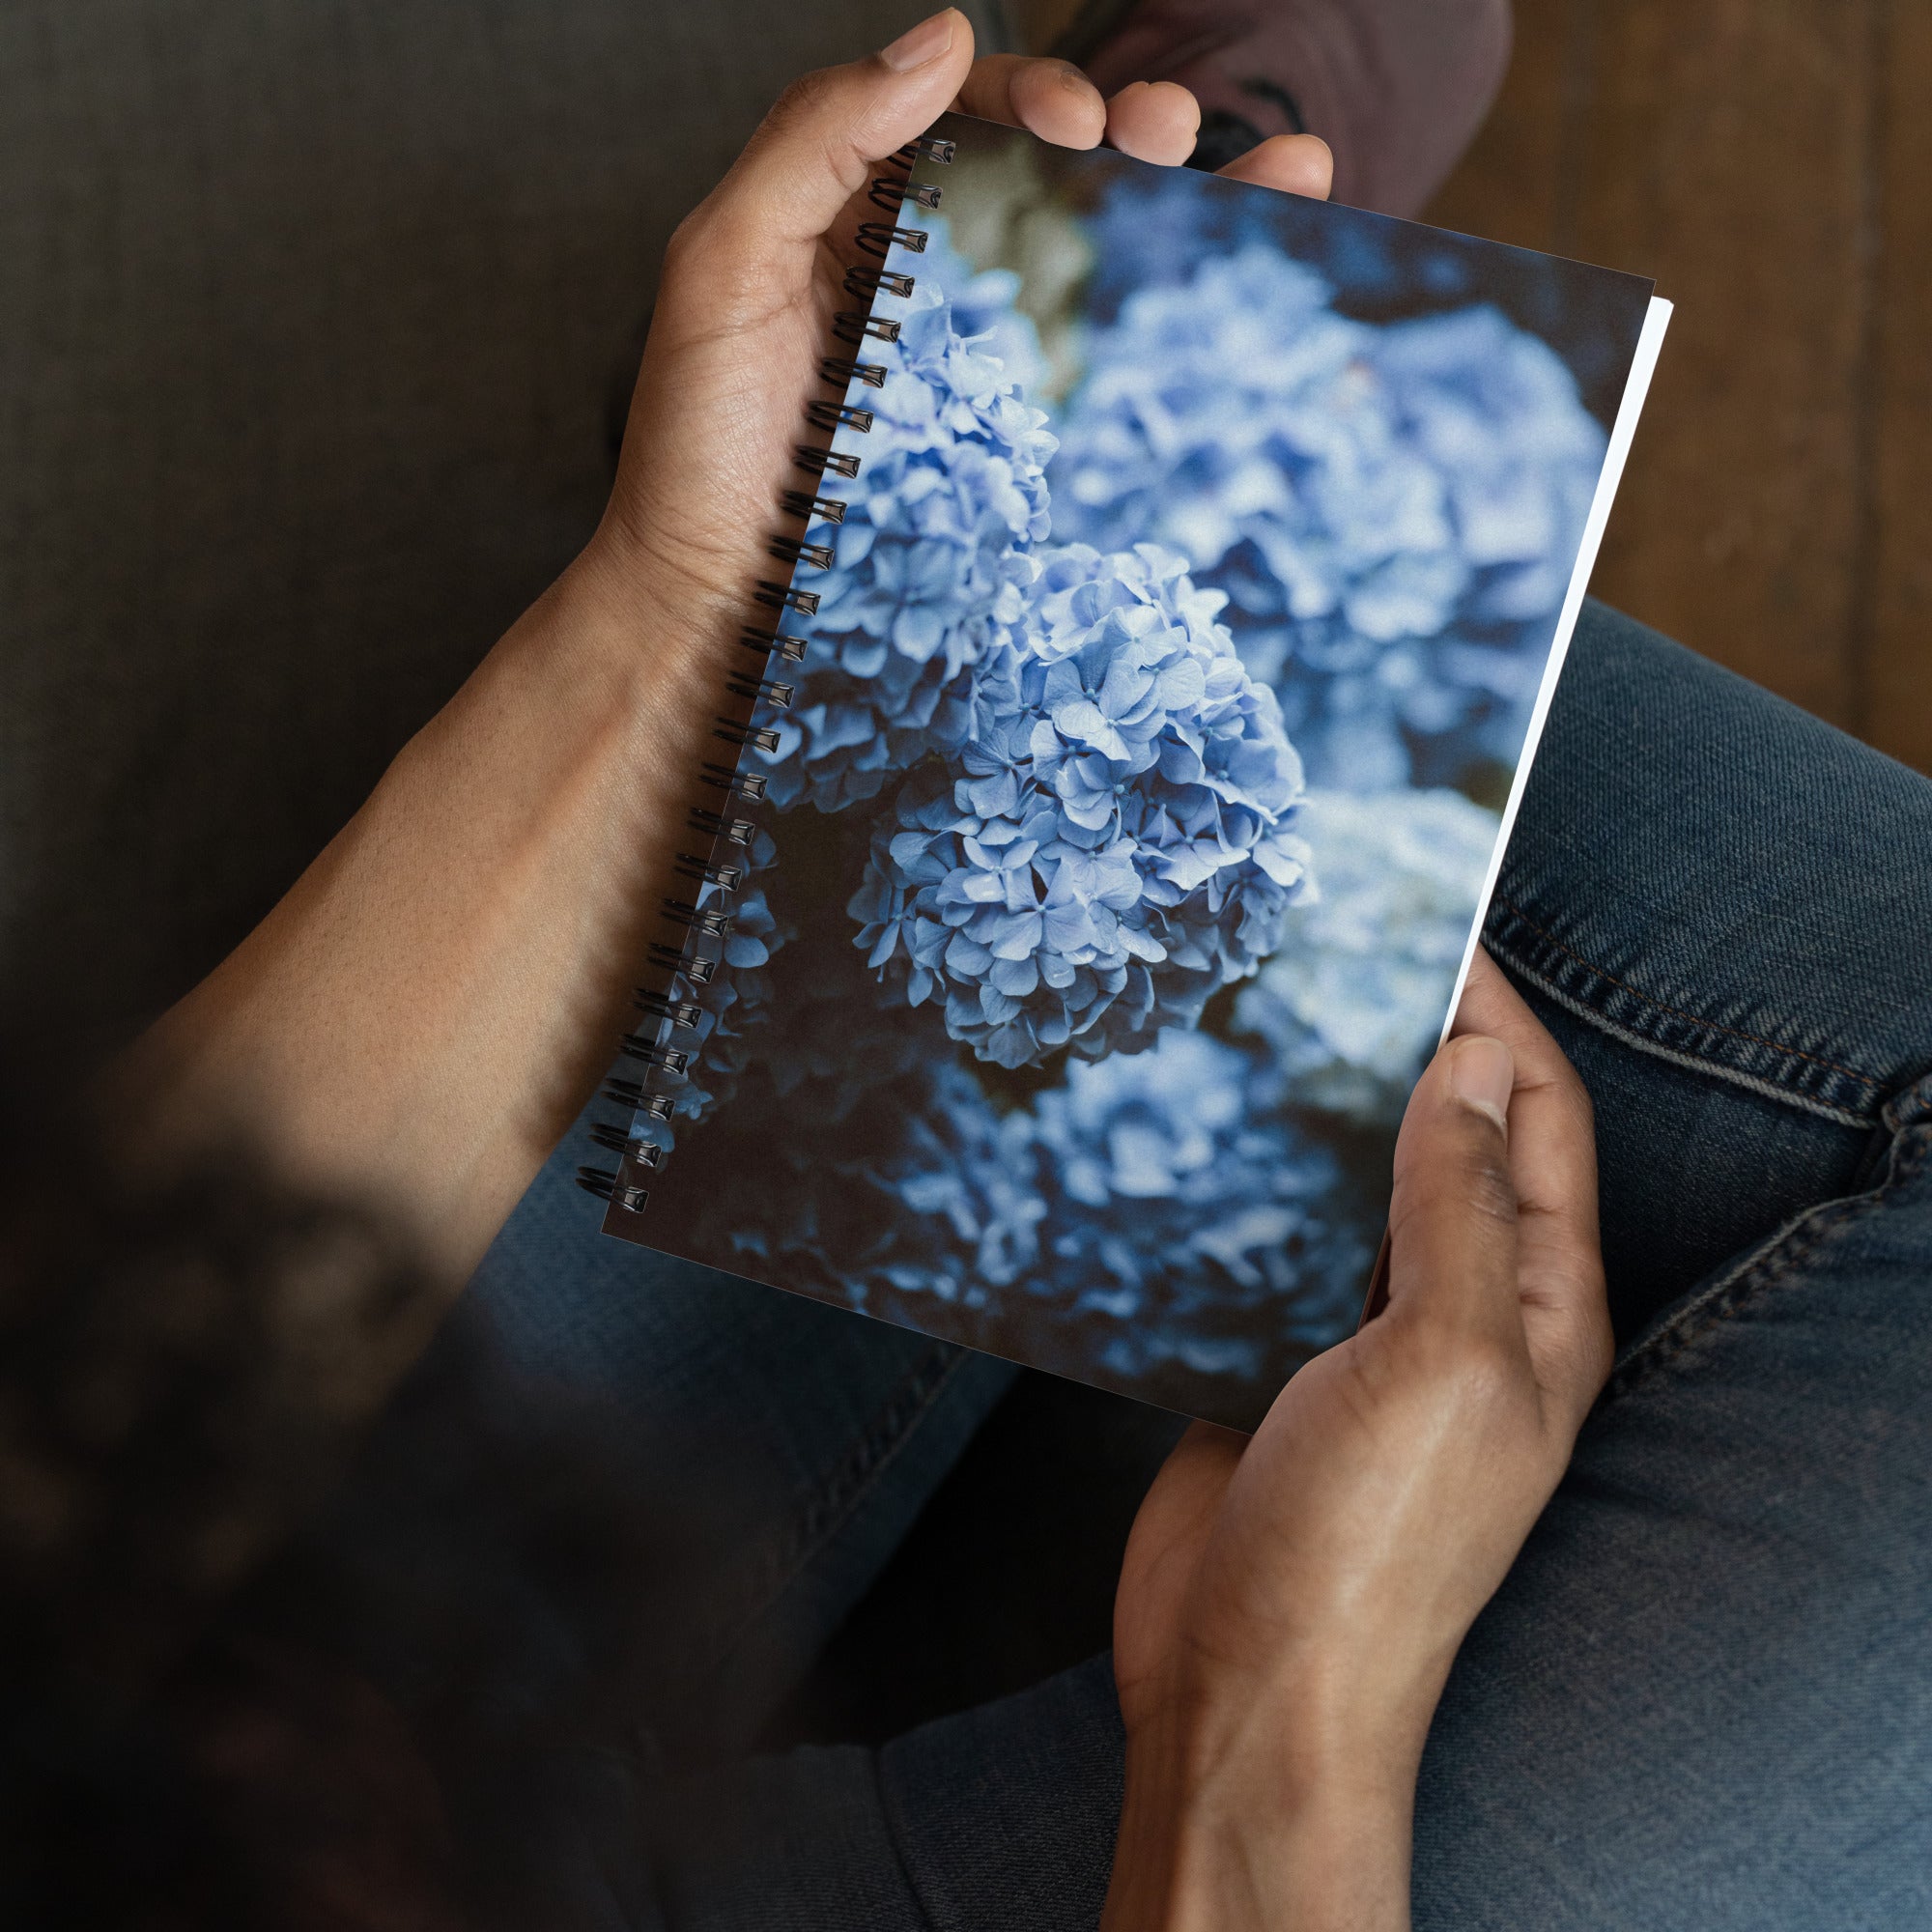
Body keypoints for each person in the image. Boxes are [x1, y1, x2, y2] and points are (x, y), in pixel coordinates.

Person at [3, 12, 1929, 1929]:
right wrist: (1265, 1742)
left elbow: (63, 1455)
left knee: (916, 778)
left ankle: (943, 440)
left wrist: (668, 625)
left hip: (188, 1731)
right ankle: (1096, 375)